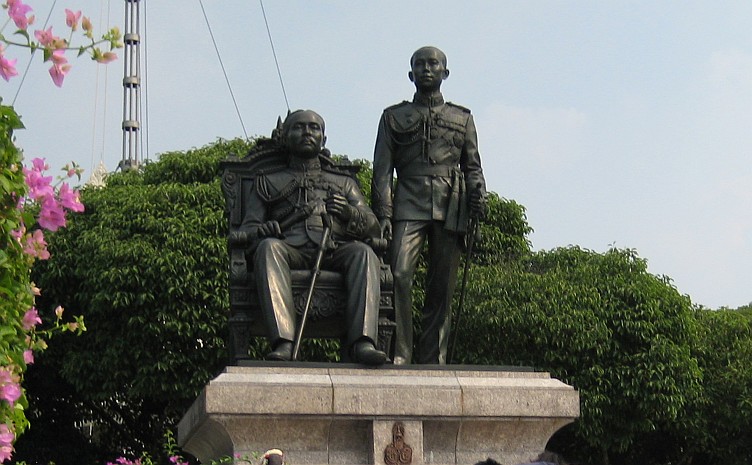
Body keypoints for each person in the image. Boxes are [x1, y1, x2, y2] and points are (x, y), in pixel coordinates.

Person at [240, 109, 386, 366]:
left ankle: (363, 341)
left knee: (363, 253)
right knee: (268, 248)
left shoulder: (343, 183)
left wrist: (349, 212)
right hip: (289, 248)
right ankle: (283, 341)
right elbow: (248, 229)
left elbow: (373, 227)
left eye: (314, 128)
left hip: (333, 248)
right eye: (299, 127)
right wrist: (263, 231)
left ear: (324, 139)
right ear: (285, 137)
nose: (307, 132)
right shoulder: (267, 181)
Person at [372, 46, 487, 364]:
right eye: (419, 64)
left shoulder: (461, 118)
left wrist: (478, 193)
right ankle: (400, 352)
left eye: (433, 63)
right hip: (407, 202)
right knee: (398, 274)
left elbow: (472, 166)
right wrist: (383, 212)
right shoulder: (393, 117)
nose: (426, 68)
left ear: (444, 73)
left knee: (441, 286)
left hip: (450, 205)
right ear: (410, 74)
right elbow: (382, 171)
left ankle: (433, 357)